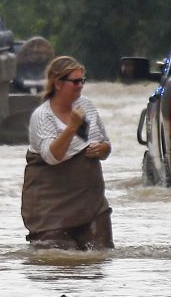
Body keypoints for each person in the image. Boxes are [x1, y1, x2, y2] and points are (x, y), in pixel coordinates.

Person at [21, 55, 114, 249]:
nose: (80, 85)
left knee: (102, 256)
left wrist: (103, 149)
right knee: (58, 262)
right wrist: (72, 127)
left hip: (91, 203)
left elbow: (105, 144)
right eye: (75, 81)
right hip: (51, 207)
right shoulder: (42, 116)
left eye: (83, 80)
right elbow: (51, 157)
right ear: (58, 83)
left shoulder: (86, 105)